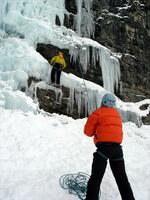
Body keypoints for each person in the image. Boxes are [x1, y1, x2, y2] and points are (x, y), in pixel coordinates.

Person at [84, 93, 135, 200]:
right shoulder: (117, 114)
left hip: (103, 149)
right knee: (122, 179)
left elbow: (88, 132)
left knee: (96, 179)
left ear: (103, 102)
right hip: (117, 150)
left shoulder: (97, 113)